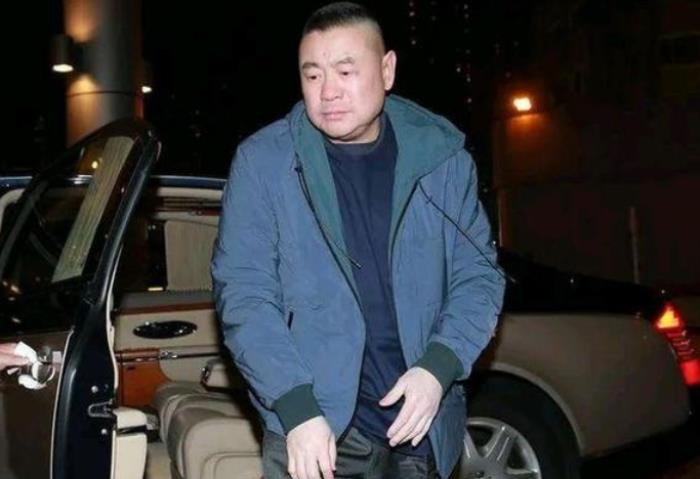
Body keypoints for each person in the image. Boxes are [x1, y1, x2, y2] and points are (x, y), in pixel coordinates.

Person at [211, 3, 505, 478]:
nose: (328, 91)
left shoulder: (442, 158)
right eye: (312, 75)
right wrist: (296, 407)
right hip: (316, 427)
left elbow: (479, 277)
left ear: (387, 70)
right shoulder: (264, 163)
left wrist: (439, 368)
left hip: (421, 424)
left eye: (345, 71)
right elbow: (245, 293)